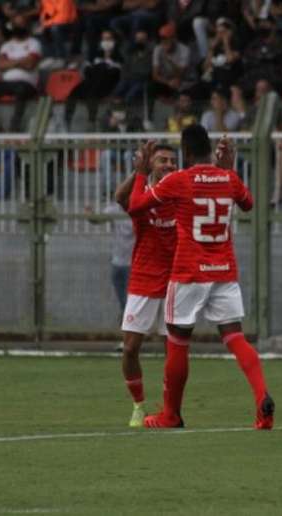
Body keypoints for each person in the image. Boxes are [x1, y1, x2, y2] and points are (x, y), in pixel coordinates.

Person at [128, 125, 274, 430]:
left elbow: (136, 205)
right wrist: (229, 169)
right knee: (235, 338)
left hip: (188, 273)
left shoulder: (179, 180)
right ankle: (262, 399)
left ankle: (171, 414)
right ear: (211, 149)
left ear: (185, 151)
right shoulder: (228, 178)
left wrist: (142, 173)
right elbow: (248, 204)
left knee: (178, 341)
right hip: (224, 271)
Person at [113, 143, 177, 427]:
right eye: (162, 159)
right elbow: (120, 198)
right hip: (143, 279)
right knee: (130, 349)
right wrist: (137, 172)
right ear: (150, 164)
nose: (169, 165)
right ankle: (138, 405)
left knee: (173, 350)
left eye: (172, 161)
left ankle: (170, 408)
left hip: (175, 281)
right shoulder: (141, 194)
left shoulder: (179, 193)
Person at [0, 14, 40, 132]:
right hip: (7, 83)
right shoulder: (6, 45)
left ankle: (14, 128)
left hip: (27, 84)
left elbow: (30, 65)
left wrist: (10, 62)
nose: (19, 26)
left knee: (21, 89)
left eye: (22, 24)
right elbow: (0, 65)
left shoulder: (34, 43)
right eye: (17, 24)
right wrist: (22, 60)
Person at [64, 29, 121, 131]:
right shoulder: (96, 54)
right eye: (104, 39)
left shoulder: (119, 56)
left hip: (107, 84)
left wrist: (104, 67)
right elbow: (87, 70)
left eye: (109, 39)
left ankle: (92, 121)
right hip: (91, 81)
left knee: (93, 92)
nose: (106, 42)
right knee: (73, 93)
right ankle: (67, 122)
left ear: (114, 41)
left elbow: (116, 73)